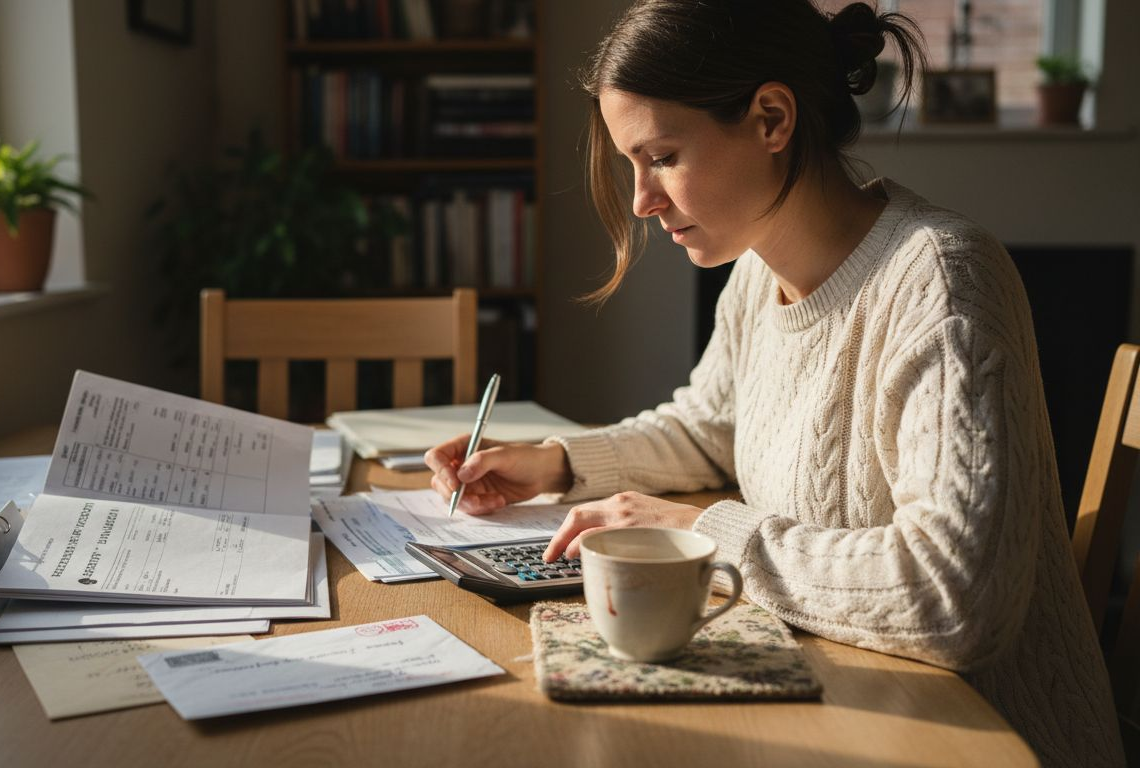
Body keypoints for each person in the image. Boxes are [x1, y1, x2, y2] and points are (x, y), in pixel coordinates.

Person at [423, 1, 1123, 765]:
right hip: (837, 704)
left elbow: (954, 596)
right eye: (632, 165)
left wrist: (702, 535)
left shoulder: (942, 283)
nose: (641, 201)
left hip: (978, 738)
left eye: (661, 157)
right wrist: (556, 463)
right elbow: (709, 426)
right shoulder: (758, 273)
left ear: (771, 119)